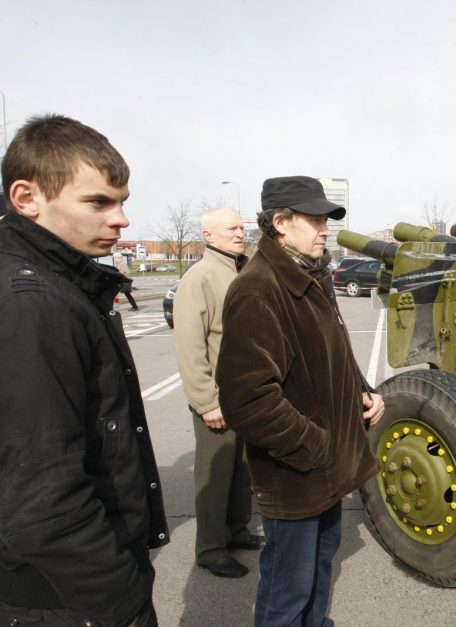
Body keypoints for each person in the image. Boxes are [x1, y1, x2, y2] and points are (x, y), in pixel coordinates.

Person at [0, 114, 168, 626]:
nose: (120, 220)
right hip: (68, 600)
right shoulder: (33, 302)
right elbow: (42, 498)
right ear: (27, 198)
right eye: (97, 202)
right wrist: (121, 601)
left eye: (122, 202)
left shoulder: (65, 283)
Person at [216, 176, 384, 626]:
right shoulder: (258, 288)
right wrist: (317, 446)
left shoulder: (309, 273)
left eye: (325, 219)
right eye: (314, 219)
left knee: (318, 571)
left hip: (324, 469)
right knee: (287, 590)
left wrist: (364, 391)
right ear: (280, 223)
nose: (325, 228)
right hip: (297, 471)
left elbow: (332, 353)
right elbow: (247, 400)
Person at [173, 206, 262, 579]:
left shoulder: (239, 270)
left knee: (241, 472)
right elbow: (190, 346)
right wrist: (206, 401)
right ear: (208, 236)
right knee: (216, 478)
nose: (240, 233)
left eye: (242, 227)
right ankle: (210, 549)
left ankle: (236, 532)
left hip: (245, 395)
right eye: (231, 228)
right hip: (219, 399)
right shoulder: (201, 277)